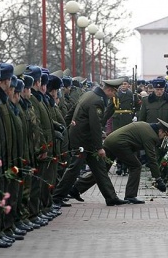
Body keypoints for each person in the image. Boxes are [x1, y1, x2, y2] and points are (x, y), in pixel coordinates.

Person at [52, 78, 129, 207]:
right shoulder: (97, 102)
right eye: (114, 93)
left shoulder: (89, 94)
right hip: (83, 140)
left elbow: (71, 113)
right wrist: (99, 147)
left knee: (100, 169)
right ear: (109, 90)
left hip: (81, 138)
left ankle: (111, 197)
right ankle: (56, 197)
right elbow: (95, 126)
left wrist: (66, 127)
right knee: (74, 169)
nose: (114, 96)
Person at [98, 119, 168, 204]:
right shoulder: (151, 135)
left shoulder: (146, 126)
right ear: (160, 131)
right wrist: (158, 179)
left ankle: (80, 187)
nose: (164, 137)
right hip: (119, 144)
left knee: (101, 171)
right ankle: (130, 196)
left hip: (110, 141)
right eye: (165, 134)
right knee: (136, 166)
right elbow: (152, 158)